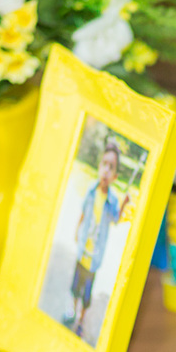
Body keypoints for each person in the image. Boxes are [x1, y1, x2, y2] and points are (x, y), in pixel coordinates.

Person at [71, 138, 129, 332]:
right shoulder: (91, 190)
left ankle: (81, 320)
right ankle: (72, 311)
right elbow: (83, 212)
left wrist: (123, 204)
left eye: (111, 167)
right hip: (82, 251)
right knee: (75, 287)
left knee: (86, 294)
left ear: (115, 176)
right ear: (99, 166)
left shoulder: (112, 200)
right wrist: (77, 229)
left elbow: (115, 219)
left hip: (94, 258)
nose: (106, 170)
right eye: (104, 164)